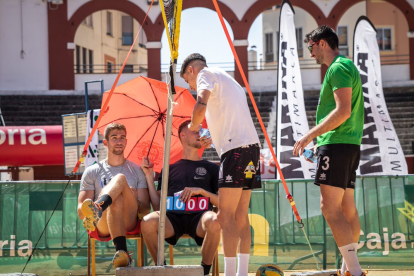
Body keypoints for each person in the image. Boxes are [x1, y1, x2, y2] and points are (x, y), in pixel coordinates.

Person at [292, 26, 366, 276]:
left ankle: (353, 271)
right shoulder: (345, 66)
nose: (310, 53)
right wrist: (318, 140)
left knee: (329, 208)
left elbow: (342, 111)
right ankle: (349, 269)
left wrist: (310, 135)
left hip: (338, 144)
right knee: (347, 209)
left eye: (311, 47)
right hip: (346, 143)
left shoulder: (338, 67)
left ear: (322, 43)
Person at [180, 53, 261, 276]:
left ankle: (230, 274)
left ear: (191, 71)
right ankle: (241, 273)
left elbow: (200, 104)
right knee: (240, 216)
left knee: (224, 216)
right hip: (251, 147)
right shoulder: (228, 78)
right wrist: (209, 135)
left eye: (189, 82)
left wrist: (194, 125)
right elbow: (225, 115)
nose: (192, 86)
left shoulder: (204, 74)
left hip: (235, 149)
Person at [141, 120, 221, 276]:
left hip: (200, 219)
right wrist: (149, 177)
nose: (201, 134)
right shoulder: (168, 169)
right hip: (172, 219)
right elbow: (158, 207)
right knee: (147, 222)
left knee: (214, 220)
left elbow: (222, 203)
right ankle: (161, 271)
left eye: (201, 130)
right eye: (195, 131)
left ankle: (204, 272)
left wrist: (202, 192)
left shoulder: (212, 167)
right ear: (183, 136)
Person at [77, 122, 155, 268]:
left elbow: (145, 210)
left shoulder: (137, 170)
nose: (119, 141)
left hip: (129, 220)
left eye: (122, 138)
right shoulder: (92, 171)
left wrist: (134, 198)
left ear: (126, 142)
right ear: (105, 143)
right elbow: (81, 212)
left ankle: (99, 207)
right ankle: (122, 252)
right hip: (103, 224)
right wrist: (90, 207)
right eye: (114, 137)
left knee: (120, 178)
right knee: (116, 199)